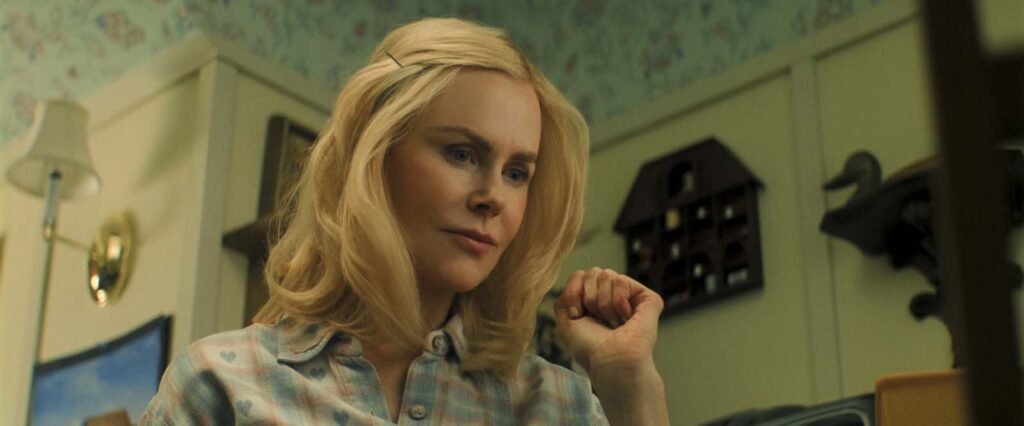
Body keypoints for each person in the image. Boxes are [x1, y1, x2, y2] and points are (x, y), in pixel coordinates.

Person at [141, 17, 669, 425]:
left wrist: (629, 386)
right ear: (374, 157)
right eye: (462, 153)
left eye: (516, 173)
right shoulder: (220, 383)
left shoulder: (556, 405)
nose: (493, 198)